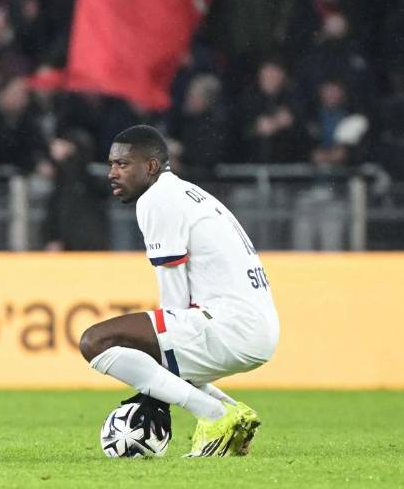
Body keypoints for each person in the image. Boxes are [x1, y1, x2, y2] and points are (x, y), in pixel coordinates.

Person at [79, 125, 279, 458]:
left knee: (95, 342)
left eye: (122, 164)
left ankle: (214, 416)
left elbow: (174, 301)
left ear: (151, 167)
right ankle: (234, 413)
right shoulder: (184, 193)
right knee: (152, 355)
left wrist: (155, 390)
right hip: (255, 327)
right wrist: (156, 382)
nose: (112, 173)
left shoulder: (157, 199)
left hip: (231, 326)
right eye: (111, 164)